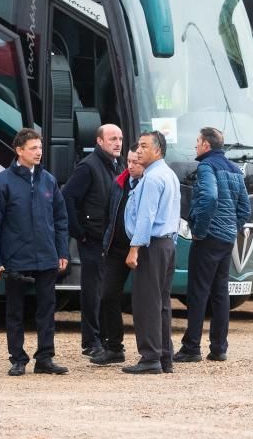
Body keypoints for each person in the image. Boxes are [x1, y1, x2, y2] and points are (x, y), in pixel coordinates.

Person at [0, 128, 70, 376]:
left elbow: (61, 218)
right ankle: (18, 359)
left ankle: (45, 358)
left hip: (46, 257)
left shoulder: (49, 181)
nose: (39, 152)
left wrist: (61, 251)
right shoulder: (2, 182)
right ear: (19, 151)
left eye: (40, 148)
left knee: (47, 309)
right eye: (33, 148)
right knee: (15, 310)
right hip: (15, 258)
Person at [176, 127, 251, 364]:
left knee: (198, 292)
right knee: (220, 293)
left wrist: (199, 230)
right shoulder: (234, 169)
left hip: (208, 237)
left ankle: (191, 347)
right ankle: (219, 348)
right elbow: (245, 208)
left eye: (197, 141)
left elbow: (208, 197)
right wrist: (232, 228)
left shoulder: (206, 167)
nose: (195, 146)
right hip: (226, 239)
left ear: (207, 145)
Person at [121, 131, 181, 375]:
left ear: (158, 150)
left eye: (144, 146)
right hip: (167, 244)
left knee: (146, 303)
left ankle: (149, 358)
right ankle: (165, 356)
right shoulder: (169, 175)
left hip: (151, 245)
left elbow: (146, 217)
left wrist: (135, 248)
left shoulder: (152, 178)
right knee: (162, 303)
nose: (138, 151)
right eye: (137, 147)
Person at [62, 124, 123, 359]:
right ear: (99, 141)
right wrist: (80, 232)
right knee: (92, 292)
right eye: (112, 139)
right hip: (93, 239)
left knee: (105, 291)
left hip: (108, 241)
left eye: (120, 138)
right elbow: (68, 197)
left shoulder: (115, 166)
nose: (117, 143)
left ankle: (104, 339)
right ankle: (91, 341)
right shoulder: (88, 167)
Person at [90, 144, 143, 366]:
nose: (130, 166)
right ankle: (114, 347)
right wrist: (105, 241)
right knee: (107, 295)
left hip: (141, 250)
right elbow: (107, 214)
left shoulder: (148, 184)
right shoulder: (119, 182)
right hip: (115, 248)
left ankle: (154, 349)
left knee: (144, 301)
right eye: (128, 161)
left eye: (135, 162)